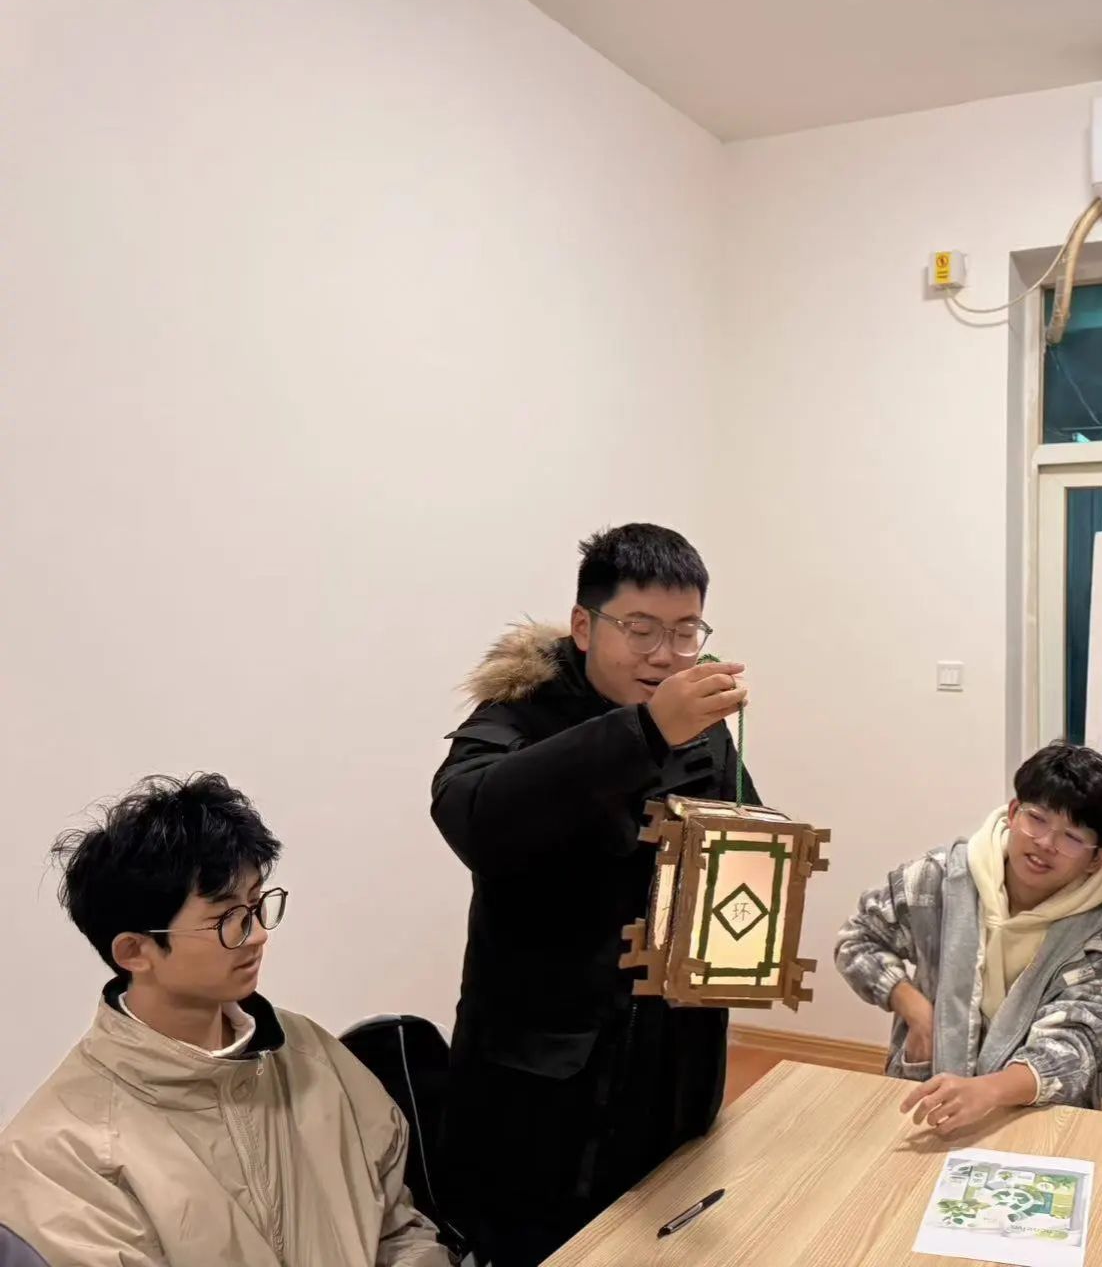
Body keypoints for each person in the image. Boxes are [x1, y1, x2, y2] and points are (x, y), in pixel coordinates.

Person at [431, 522, 753, 1265]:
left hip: (671, 1065)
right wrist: (645, 732)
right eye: (640, 629)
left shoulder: (701, 727)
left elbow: (740, 838)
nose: (665, 653)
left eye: (686, 631)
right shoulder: (515, 714)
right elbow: (472, 816)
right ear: (584, 625)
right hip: (543, 1086)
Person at [0, 775, 450, 1267]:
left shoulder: (313, 1056)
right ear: (134, 951)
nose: (257, 935)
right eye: (227, 919)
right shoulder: (58, 1157)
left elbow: (398, 1232)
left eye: (256, 905)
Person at [835, 742, 1102, 1135]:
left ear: (1096, 858)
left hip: (1036, 1116)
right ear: (1013, 813)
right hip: (927, 1098)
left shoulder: (1100, 942)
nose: (1046, 843)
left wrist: (989, 1091)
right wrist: (916, 1009)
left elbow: (1076, 1045)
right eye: (1037, 819)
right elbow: (857, 939)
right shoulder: (939, 880)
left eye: (1072, 837)